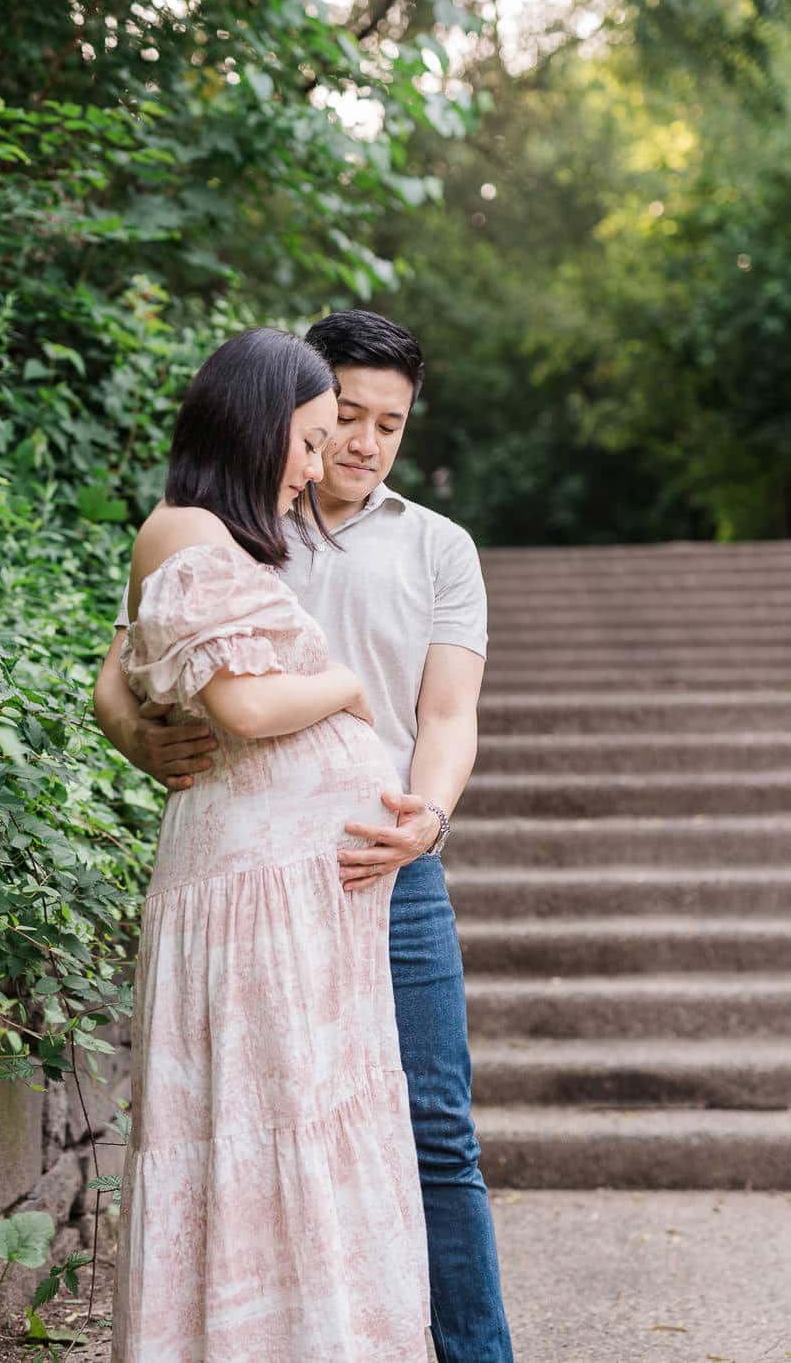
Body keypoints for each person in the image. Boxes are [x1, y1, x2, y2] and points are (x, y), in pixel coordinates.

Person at [96, 310, 514, 1363]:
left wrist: (428, 818)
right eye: (342, 420)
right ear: (296, 412)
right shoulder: (231, 521)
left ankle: (471, 1353)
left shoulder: (435, 546)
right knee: (268, 1118)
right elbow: (122, 665)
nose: (360, 445)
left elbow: (448, 712)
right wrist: (137, 736)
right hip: (262, 870)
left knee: (429, 1127)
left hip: (389, 858)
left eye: (388, 424)